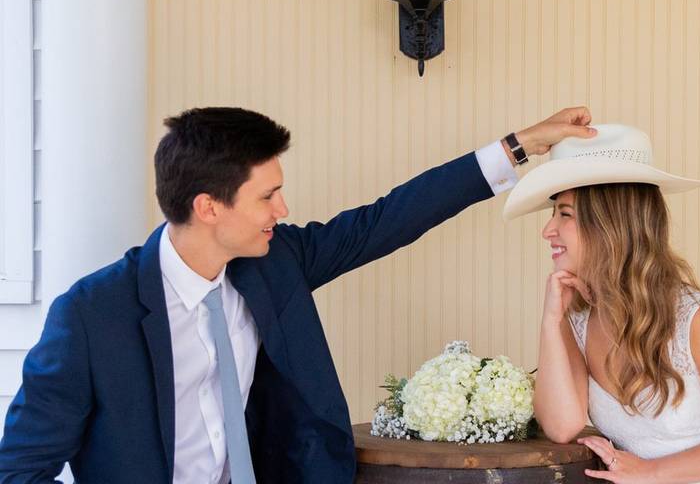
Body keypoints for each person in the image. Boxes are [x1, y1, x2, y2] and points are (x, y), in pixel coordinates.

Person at [0, 105, 595, 484]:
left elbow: (385, 220)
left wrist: (518, 146)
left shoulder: (274, 262)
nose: (282, 211)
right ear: (208, 207)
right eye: (267, 197)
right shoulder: (90, 316)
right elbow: (21, 468)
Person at [503, 124, 700, 483]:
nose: (547, 231)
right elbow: (563, 426)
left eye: (564, 214)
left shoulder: (695, 318)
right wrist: (552, 321)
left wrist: (653, 472)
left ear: (610, 225)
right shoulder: (577, 319)